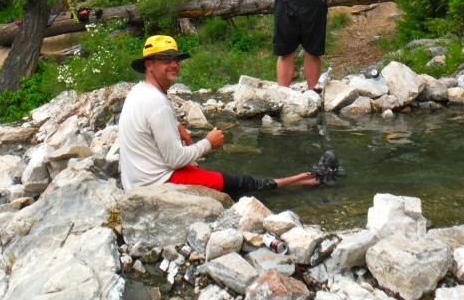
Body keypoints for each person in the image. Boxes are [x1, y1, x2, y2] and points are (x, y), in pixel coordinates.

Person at [119, 35, 328, 194]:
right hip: (156, 184)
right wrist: (208, 143)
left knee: (222, 176)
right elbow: (174, 159)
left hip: (138, 179)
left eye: (176, 59)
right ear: (149, 65)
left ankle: (304, 178)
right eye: (166, 60)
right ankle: (308, 180)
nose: (174, 65)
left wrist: (175, 126)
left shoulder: (139, 92)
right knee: (238, 183)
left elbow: (149, 125)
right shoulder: (157, 102)